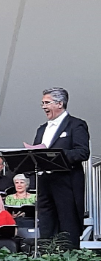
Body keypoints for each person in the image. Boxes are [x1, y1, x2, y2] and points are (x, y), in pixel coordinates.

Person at [33, 87, 90, 250]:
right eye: (42, 103)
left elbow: (82, 152)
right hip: (45, 182)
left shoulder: (76, 125)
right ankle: (45, 257)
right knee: (45, 224)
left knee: (68, 224)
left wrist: (56, 155)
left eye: (47, 103)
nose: (43, 106)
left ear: (60, 103)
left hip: (66, 181)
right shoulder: (41, 129)